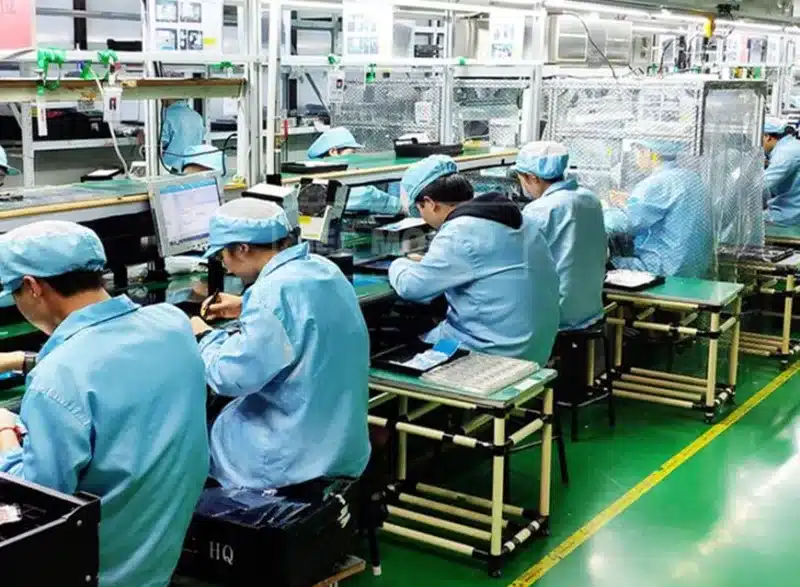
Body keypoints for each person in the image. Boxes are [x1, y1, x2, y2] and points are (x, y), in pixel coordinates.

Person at [0, 221, 208, 587]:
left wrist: (5, 435)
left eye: (13, 292)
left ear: (33, 287)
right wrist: (21, 359)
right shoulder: (172, 324)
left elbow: (36, 505)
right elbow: (104, 361)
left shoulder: (58, 380)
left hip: (99, 569)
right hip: (157, 555)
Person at [189, 198, 371, 489]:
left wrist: (203, 336)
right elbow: (299, 318)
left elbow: (230, 378)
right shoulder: (323, 270)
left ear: (243, 248)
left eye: (223, 254)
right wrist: (245, 306)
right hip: (342, 443)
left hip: (289, 459)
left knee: (193, 435)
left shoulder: (271, 296)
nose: (224, 264)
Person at [389, 155, 559, 365]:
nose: (422, 217)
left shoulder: (459, 231)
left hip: (490, 353)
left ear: (430, 203)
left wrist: (398, 263)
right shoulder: (520, 219)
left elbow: (411, 287)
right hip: (537, 347)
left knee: (394, 347)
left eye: (420, 209)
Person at [514, 141, 606, 331]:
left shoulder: (538, 210)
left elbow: (519, 263)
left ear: (532, 178)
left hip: (554, 314)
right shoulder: (590, 198)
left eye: (521, 180)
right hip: (590, 307)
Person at [604, 140, 712, 278]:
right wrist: (631, 201)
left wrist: (594, 214)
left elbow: (630, 222)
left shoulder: (656, 183)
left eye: (637, 151)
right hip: (693, 269)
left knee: (602, 265)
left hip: (663, 269)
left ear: (650, 152)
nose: (636, 157)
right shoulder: (690, 177)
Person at [307, 127, 402, 215]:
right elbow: (366, 196)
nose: (354, 157)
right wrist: (401, 206)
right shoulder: (321, 182)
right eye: (352, 153)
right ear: (334, 152)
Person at [762, 117, 800, 226]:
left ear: (767, 137)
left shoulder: (786, 153)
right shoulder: (790, 145)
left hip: (790, 213)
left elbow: (762, 183)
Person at [161, 99, 206, 173]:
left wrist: (144, 140)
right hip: (193, 170)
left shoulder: (166, 116)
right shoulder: (197, 117)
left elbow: (158, 146)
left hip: (171, 173)